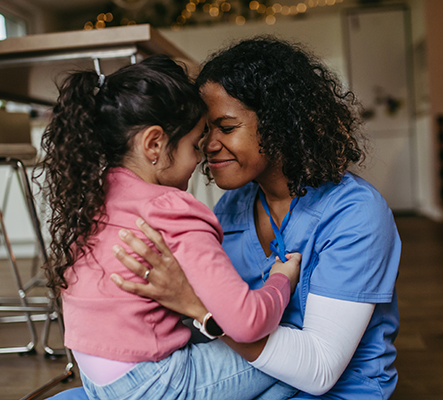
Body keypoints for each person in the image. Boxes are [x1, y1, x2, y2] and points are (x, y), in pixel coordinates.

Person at [110, 37, 401, 400]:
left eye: (226, 128)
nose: (207, 144)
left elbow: (320, 370)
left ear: (281, 124)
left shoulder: (355, 214)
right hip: (255, 378)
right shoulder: (231, 207)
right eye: (204, 130)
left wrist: (195, 307)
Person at [38, 54, 300, 400]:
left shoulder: (94, 195)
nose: (201, 156)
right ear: (154, 144)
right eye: (194, 145)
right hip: (156, 385)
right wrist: (282, 280)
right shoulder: (170, 209)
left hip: (99, 384)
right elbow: (247, 322)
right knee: (290, 358)